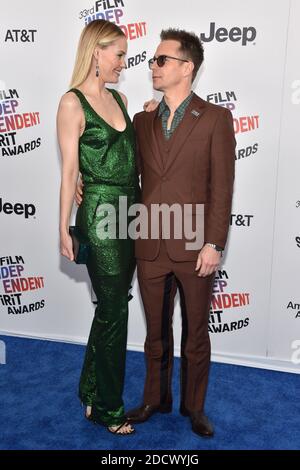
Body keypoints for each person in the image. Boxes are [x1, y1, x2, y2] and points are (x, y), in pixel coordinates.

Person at [125, 29, 236, 437]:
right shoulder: (143, 119)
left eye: (161, 60)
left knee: (195, 335)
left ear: (186, 67)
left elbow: (221, 187)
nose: (152, 66)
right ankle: (155, 398)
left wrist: (214, 242)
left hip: (195, 246)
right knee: (155, 332)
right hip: (150, 243)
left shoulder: (215, 119)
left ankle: (194, 407)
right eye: (153, 60)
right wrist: (88, 181)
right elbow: (126, 172)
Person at [57, 19, 141, 435]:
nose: (124, 63)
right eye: (119, 55)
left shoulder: (122, 98)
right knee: (115, 309)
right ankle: (109, 407)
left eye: (125, 56)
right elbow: (70, 171)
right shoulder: (72, 103)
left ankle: (90, 390)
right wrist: (62, 228)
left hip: (132, 211)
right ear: (96, 52)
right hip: (100, 216)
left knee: (111, 308)